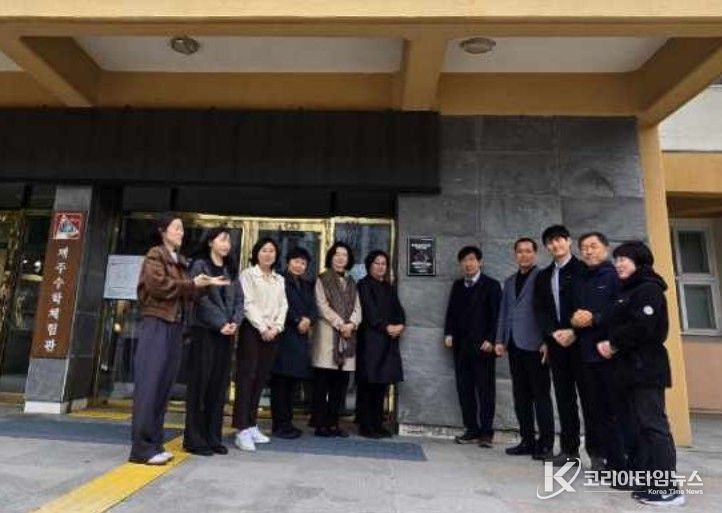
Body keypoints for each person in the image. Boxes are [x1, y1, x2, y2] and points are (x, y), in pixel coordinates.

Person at [130, 214, 228, 465]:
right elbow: (158, 286)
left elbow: (185, 292)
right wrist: (191, 284)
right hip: (157, 322)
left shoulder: (179, 260)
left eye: (182, 229)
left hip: (175, 325)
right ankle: (141, 448)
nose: (181, 233)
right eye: (176, 228)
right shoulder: (155, 255)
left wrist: (203, 285)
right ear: (163, 231)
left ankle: (155, 443)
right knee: (150, 385)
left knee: (163, 387)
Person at [597, 241, 684, 507]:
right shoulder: (628, 290)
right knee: (638, 427)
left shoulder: (648, 289)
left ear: (639, 261)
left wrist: (613, 344)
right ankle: (649, 479)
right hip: (628, 370)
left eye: (624, 259)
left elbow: (643, 327)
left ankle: (668, 488)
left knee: (653, 426)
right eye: (617, 259)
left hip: (646, 368)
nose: (619, 264)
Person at [533, 224, 592, 466]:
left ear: (569, 241)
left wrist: (574, 331)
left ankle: (598, 453)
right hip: (557, 345)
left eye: (559, 239)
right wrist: (551, 334)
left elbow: (591, 305)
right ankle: (569, 450)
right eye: (550, 241)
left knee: (589, 398)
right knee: (564, 398)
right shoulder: (544, 276)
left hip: (582, 343)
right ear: (547, 247)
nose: (555, 244)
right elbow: (540, 309)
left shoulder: (584, 269)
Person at [183, 227, 243, 456]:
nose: (227, 244)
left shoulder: (230, 269)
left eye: (228, 241)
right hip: (205, 333)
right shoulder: (200, 266)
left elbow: (240, 300)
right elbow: (201, 299)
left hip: (226, 335)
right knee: (200, 386)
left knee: (218, 387)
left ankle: (213, 437)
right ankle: (194, 439)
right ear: (210, 242)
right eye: (222, 239)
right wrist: (221, 323)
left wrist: (235, 321)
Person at [570, 232, 626, 472]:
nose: (588, 251)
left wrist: (596, 318)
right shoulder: (580, 278)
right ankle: (596, 455)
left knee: (612, 409)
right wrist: (574, 321)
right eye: (584, 247)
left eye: (593, 246)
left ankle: (618, 460)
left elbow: (622, 313)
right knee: (591, 408)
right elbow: (575, 312)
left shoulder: (615, 277)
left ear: (606, 248)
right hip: (585, 353)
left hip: (609, 354)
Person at [495, 238, 554, 459]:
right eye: (520, 251)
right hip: (514, 346)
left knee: (541, 396)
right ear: (515, 255)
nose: (524, 255)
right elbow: (504, 312)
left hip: (536, 346)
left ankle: (546, 444)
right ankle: (527, 440)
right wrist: (500, 340)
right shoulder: (510, 281)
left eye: (528, 251)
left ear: (535, 254)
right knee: (521, 397)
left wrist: (548, 341)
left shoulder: (543, 277)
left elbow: (550, 311)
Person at [233, 237, 288, 452]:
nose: (268, 254)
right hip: (252, 331)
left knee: (260, 379)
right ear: (256, 253)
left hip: (272, 333)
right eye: (264, 250)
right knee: (246, 378)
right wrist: (262, 327)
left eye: (272, 251)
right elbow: (247, 303)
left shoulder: (279, 279)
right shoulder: (248, 275)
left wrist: (276, 327)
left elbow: (283, 305)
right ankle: (241, 428)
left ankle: (251, 423)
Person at [444, 245, 501, 448]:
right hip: (461, 346)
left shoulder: (492, 285)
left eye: (471, 259)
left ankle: (486, 432)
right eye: (464, 261)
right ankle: (471, 429)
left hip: (484, 347)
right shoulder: (458, 285)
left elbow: (497, 316)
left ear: (480, 262)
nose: (468, 264)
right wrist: (448, 333)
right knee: (464, 389)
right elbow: (451, 312)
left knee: (485, 391)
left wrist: (492, 339)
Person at [311, 242, 362, 438]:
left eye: (344, 255)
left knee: (340, 385)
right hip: (328, 336)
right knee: (323, 383)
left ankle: (334, 423)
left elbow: (358, 308)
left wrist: (352, 324)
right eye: (337, 254)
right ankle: (320, 424)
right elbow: (321, 305)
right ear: (330, 257)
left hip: (347, 337)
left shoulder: (352, 282)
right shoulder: (322, 279)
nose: (341, 258)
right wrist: (341, 324)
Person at [356, 250, 406, 439]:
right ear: (369, 265)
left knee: (382, 385)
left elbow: (398, 310)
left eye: (383, 264)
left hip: (388, 343)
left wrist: (401, 324)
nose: (380, 267)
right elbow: (369, 311)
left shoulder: (388, 287)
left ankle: (378, 423)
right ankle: (366, 425)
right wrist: (386, 327)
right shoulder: (363, 285)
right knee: (368, 384)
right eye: (376, 263)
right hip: (370, 341)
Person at [270, 247, 318, 439]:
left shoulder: (306, 284)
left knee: (292, 384)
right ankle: (279, 424)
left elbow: (314, 307)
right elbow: (280, 305)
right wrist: (297, 320)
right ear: (288, 262)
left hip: (300, 339)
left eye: (303, 263)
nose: (299, 266)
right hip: (284, 336)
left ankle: (288, 422)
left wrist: (309, 320)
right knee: (280, 383)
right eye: (296, 261)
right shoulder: (279, 280)